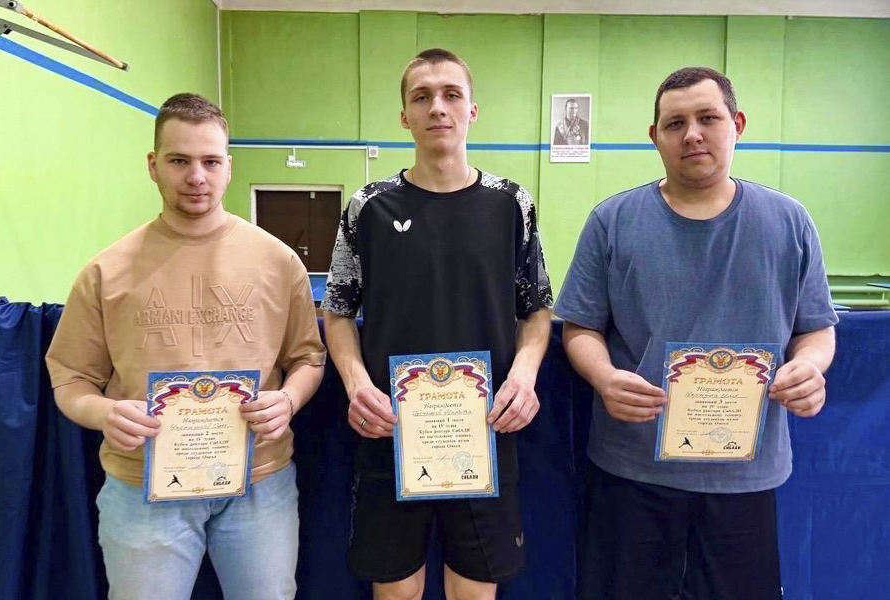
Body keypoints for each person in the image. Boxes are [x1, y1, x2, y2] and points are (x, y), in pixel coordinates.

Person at [555, 67, 837, 600]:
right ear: (654, 136)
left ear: (737, 124)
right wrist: (605, 377)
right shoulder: (611, 221)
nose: (692, 135)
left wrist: (809, 367)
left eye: (708, 118)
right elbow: (580, 327)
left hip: (745, 473)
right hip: (632, 471)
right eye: (675, 124)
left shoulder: (790, 222)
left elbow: (816, 329)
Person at [45, 93, 326, 600]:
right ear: (153, 165)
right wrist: (104, 413)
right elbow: (70, 379)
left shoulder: (279, 262)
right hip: (141, 486)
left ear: (229, 167)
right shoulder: (106, 271)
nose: (196, 177)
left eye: (210, 161)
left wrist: (288, 400)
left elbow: (307, 358)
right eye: (179, 161)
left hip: (260, 483)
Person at [321, 48, 552, 600]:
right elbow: (337, 311)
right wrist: (357, 384)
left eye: (451, 94)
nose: (437, 107)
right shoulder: (368, 205)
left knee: (474, 589)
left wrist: (524, 375)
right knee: (396, 588)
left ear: (473, 110)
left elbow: (537, 308)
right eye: (421, 97)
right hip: (391, 430)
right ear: (404, 115)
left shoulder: (511, 203)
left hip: (485, 430)